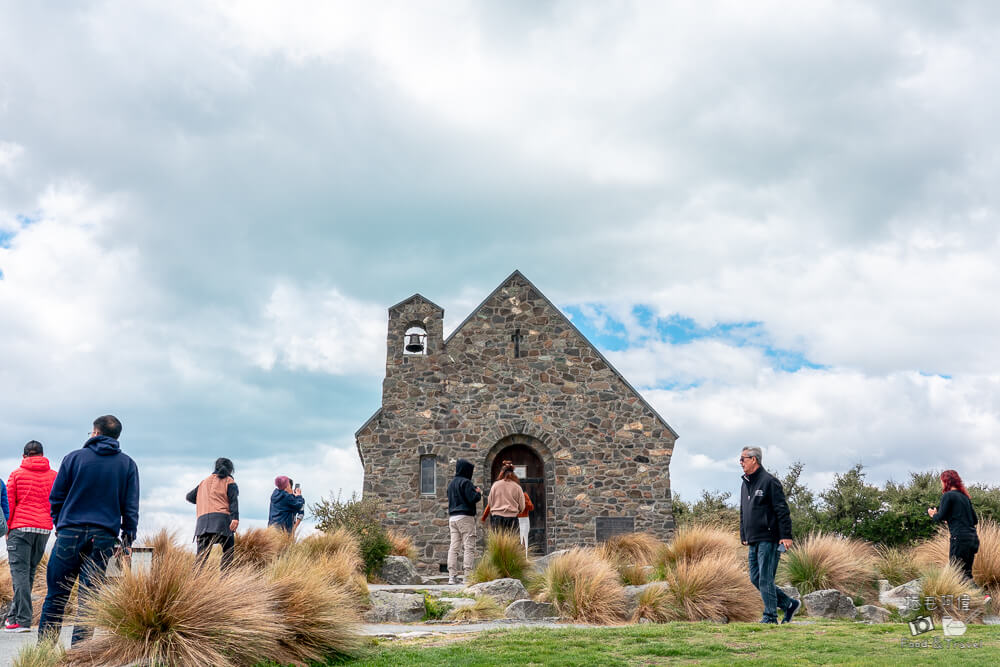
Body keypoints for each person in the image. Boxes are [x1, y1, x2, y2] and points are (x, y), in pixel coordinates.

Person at [38, 415, 140, 645]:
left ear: (95, 433)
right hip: (104, 537)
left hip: (69, 533)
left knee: (56, 597)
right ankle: (80, 656)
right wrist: (128, 540)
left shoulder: (73, 458)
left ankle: (42, 654)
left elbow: (56, 498)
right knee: (89, 599)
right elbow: (130, 508)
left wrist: (59, 524)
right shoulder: (127, 464)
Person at [739, 446, 799, 625]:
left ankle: (770, 617)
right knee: (755, 578)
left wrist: (786, 536)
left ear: (754, 460)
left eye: (743, 459)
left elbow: (782, 510)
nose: (740, 463)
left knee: (765, 578)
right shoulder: (745, 483)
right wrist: (744, 533)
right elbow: (743, 511)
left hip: (769, 538)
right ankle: (789, 603)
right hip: (753, 539)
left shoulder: (769, 482)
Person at [4, 440, 58, 633]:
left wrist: (7, 530)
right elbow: (58, 502)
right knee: (29, 574)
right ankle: (12, 618)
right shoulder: (54, 476)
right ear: (42, 455)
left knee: (19, 574)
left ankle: (23, 620)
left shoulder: (16, 475)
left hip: (20, 529)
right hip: (43, 529)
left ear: (24, 456)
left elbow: (9, 505)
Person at [186, 457, 239, 570]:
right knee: (228, 551)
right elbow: (233, 501)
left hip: (202, 523)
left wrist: (204, 499)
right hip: (222, 522)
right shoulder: (229, 481)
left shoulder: (203, 482)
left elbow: (189, 497)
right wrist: (235, 518)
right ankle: (225, 580)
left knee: (201, 557)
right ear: (230, 469)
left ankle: (195, 582)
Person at [928, 469, 980, 582]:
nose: (941, 483)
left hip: (959, 538)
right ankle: (983, 598)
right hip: (972, 539)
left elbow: (940, 516)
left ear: (946, 481)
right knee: (966, 574)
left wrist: (933, 515)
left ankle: (979, 597)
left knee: (956, 572)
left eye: (941, 480)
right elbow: (974, 520)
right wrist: (951, 519)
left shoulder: (948, 495)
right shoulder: (965, 497)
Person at [446, 459, 482, 584]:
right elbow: (472, 498)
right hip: (465, 518)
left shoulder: (451, 484)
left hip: (453, 519)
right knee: (468, 547)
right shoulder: (466, 483)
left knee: (454, 547)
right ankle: (468, 576)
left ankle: (452, 576)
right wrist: (478, 493)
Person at [486, 463, 524, 534]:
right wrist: (519, 511)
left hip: (497, 518)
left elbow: (490, 502)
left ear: (502, 473)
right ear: (513, 474)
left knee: (498, 543)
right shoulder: (517, 487)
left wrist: (494, 510)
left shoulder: (495, 485)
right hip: (512, 518)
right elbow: (522, 505)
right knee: (513, 543)